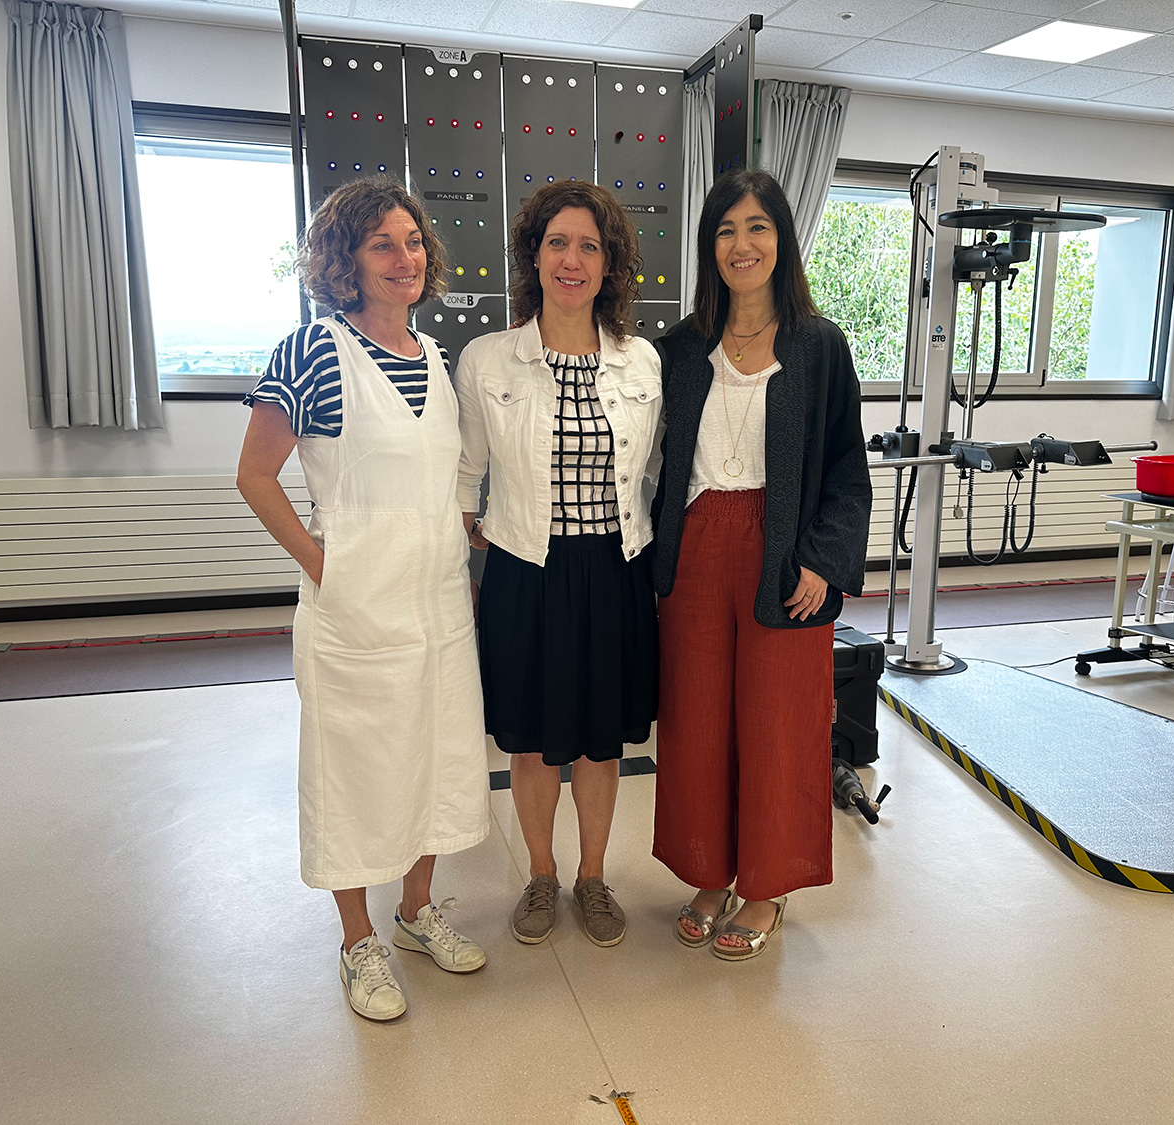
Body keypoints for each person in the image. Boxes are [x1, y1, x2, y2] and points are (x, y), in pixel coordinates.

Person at [237, 177, 490, 1021]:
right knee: (353, 770)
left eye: (413, 241)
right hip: (354, 605)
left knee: (434, 757)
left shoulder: (437, 358)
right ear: (344, 259)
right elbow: (255, 475)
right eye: (382, 243)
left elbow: (442, 480)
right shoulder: (313, 350)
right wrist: (326, 566)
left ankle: (416, 912)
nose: (404, 257)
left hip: (437, 604)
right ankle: (357, 941)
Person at [650, 168, 872, 961]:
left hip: (785, 553)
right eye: (725, 230)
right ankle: (709, 871)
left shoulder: (819, 345)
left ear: (782, 238)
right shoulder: (679, 348)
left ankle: (767, 884)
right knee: (697, 719)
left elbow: (847, 465)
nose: (741, 245)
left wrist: (825, 560)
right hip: (694, 546)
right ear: (708, 246)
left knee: (781, 723)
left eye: (757, 227)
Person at [456, 181, 662, 948]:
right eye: (557, 243)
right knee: (534, 739)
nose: (572, 260)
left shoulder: (642, 362)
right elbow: (464, 472)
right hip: (525, 570)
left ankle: (592, 877)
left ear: (609, 264)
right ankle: (541, 874)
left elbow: (662, 468)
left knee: (600, 741)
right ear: (533, 256)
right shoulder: (487, 359)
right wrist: (466, 548)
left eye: (589, 246)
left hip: (614, 568)